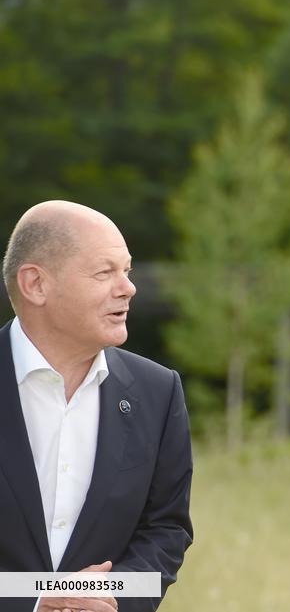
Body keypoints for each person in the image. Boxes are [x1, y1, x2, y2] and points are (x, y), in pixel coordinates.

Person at [0, 201, 193, 612]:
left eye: (127, 271)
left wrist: (113, 595)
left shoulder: (158, 392)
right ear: (35, 284)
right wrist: (32, 597)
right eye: (104, 272)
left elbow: (166, 531)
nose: (128, 288)